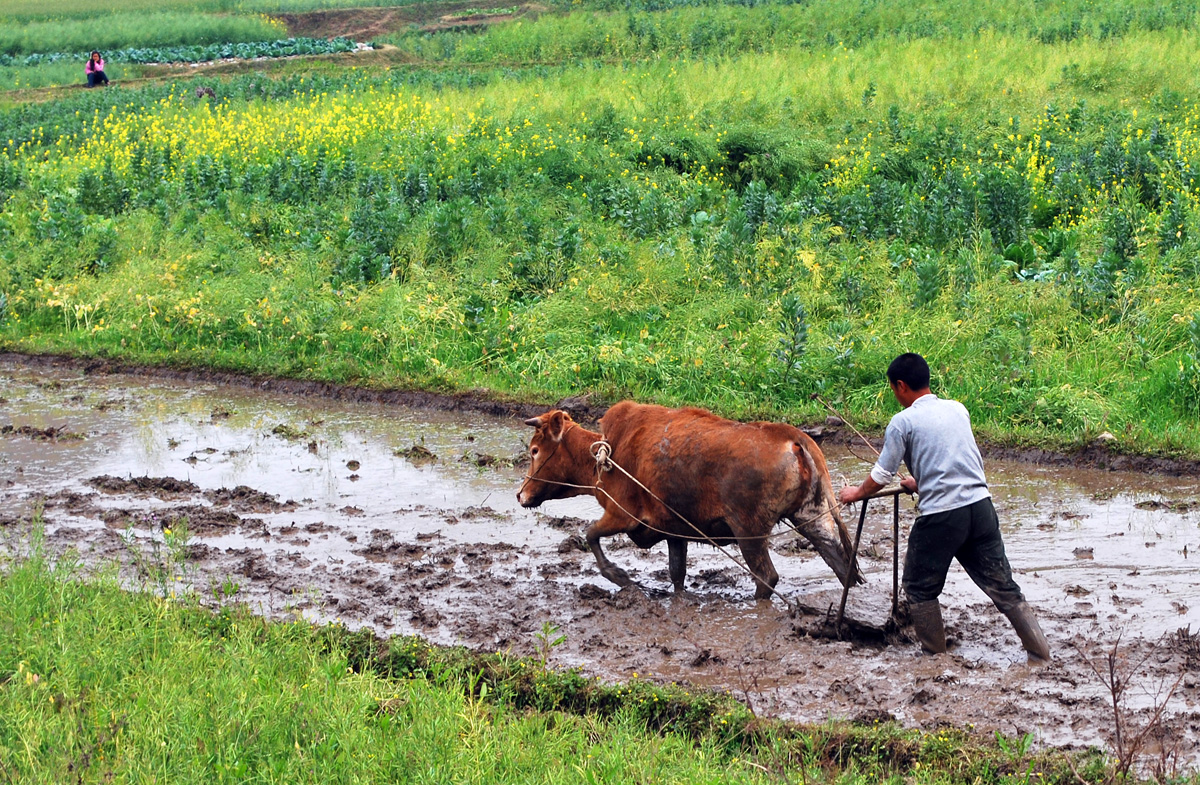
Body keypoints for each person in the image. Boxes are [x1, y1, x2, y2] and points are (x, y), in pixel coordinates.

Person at [838, 352, 1050, 662]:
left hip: (942, 517)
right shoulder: (957, 409)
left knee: (919, 588)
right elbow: (957, 460)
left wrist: (855, 493)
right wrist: (919, 482)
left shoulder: (902, 422)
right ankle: (1040, 653)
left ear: (900, 386)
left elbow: (882, 475)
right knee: (1004, 587)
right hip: (981, 509)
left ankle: (934, 659)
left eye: (893, 389)